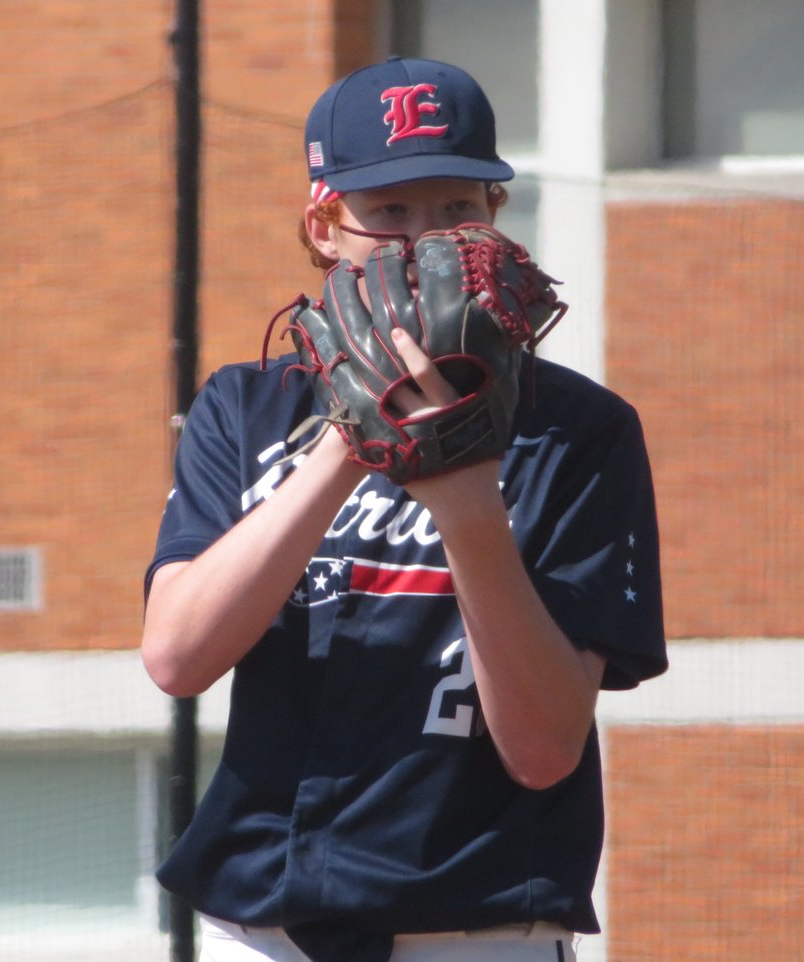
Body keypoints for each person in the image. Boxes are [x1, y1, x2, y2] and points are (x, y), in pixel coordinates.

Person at [142, 57, 668, 962]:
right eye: (387, 212)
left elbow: (544, 749)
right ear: (324, 225)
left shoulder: (581, 432)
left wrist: (466, 498)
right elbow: (178, 657)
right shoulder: (247, 406)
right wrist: (355, 436)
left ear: (497, 219)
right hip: (262, 927)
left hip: (479, 926)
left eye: (456, 207)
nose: (426, 240)